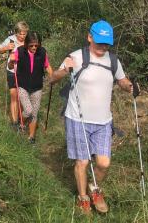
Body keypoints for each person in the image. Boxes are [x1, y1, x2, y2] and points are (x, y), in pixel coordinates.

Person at [50, 20, 133, 216]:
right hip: (77, 119)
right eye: (100, 42)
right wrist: (64, 69)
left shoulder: (113, 60)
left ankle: (94, 188)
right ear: (89, 37)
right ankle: (83, 198)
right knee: (82, 162)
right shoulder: (76, 57)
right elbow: (52, 78)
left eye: (107, 43)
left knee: (103, 163)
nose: (103, 47)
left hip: (104, 122)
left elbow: (122, 81)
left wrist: (130, 86)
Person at [8, 31, 52, 143]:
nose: (34, 47)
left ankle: (31, 137)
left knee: (34, 113)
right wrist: (11, 60)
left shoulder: (42, 52)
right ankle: (20, 121)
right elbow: (10, 66)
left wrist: (53, 77)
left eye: (36, 45)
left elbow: (47, 66)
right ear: (27, 43)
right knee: (28, 110)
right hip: (23, 86)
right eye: (31, 45)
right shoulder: (20, 51)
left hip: (37, 87)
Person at [0, 21, 29, 129]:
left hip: (25, 72)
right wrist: (6, 48)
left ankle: (21, 118)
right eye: (21, 34)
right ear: (16, 33)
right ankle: (15, 122)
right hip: (12, 71)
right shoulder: (10, 39)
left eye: (24, 34)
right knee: (14, 96)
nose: (23, 36)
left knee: (22, 96)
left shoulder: (28, 41)